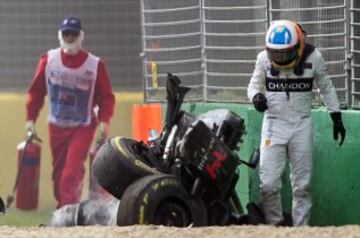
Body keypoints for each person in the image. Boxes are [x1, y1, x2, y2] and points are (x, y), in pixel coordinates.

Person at [247, 20, 346, 226]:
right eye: (276, 53)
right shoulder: (263, 59)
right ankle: (275, 225)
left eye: (286, 53)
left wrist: (336, 115)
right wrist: (256, 97)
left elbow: (326, 87)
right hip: (273, 125)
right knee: (268, 185)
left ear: (299, 46)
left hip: (301, 124)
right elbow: (254, 85)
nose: (281, 58)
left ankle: (301, 230)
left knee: (302, 186)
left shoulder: (314, 57)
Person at [25, 16, 115, 208]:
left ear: (81, 36)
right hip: (56, 125)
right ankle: (63, 208)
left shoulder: (94, 65)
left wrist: (104, 121)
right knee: (58, 174)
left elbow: (106, 96)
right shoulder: (48, 61)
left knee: (71, 171)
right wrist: (30, 120)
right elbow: (36, 92)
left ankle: (68, 210)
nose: (70, 37)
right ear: (60, 35)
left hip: (83, 126)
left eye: (74, 33)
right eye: (67, 33)